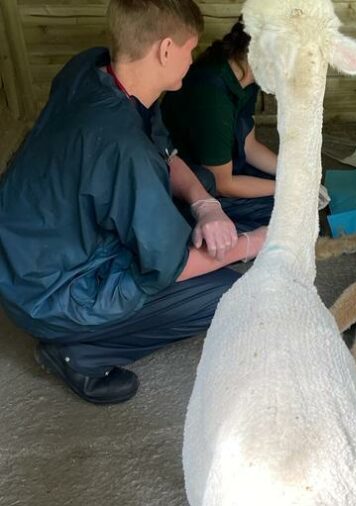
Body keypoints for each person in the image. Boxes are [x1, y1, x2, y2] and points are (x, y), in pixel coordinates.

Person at [0, 0, 266, 405]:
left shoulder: (92, 70)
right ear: (164, 50)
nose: (192, 60)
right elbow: (170, 265)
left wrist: (204, 204)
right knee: (228, 290)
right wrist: (254, 243)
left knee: (204, 187)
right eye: (189, 49)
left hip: (27, 248)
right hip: (49, 291)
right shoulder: (122, 149)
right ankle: (79, 351)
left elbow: (164, 153)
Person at [161, 19, 328, 232]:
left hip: (223, 164)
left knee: (298, 190)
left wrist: (294, 174)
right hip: (194, 182)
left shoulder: (244, 75)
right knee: (296, 214)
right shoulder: (211, 94)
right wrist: (290, 188)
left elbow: (249, 147)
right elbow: (223, 183)